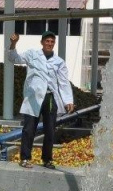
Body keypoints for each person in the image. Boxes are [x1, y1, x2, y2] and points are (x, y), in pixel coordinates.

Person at [7, 30, 74, 169]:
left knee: (50, 130)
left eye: (52, 42)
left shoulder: (59, 62)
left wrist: (68, 100)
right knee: (29, 129)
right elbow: (14, 59)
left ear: (54, 44)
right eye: (47, 41)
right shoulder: (32, 54)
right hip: (34, 97)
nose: (49, 44)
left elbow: (63, 82)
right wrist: (13, 44)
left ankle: (47, 159)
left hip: (50, 98)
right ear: (42, 42)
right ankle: (25, 158)